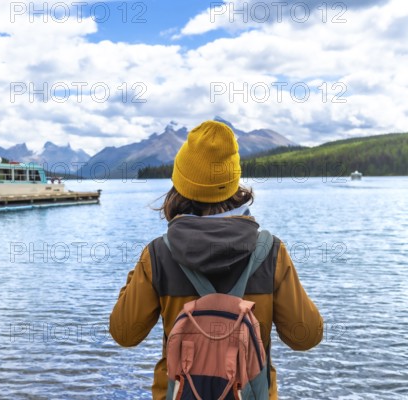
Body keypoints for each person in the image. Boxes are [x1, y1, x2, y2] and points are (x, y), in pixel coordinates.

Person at [109, 120, 323, 399]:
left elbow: (125, 334)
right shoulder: (271, 252)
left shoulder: (158, 254)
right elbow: (305, 337)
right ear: (233, 183)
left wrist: (136, 276)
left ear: (180, 185)